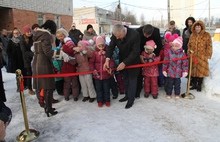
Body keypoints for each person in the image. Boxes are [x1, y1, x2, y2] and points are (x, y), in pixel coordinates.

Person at [104, 24, 140, 109]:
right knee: (125, 79)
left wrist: (125, 63)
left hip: (133, 61)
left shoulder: (135, 35)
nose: (117, 38)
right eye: (116, 36)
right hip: (122, 60)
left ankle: (131, 99)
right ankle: (127, 96)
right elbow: (111, 47)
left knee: (132, 81)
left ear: (124, 31)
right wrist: (107, 59)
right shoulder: (116, 34)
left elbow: (135, 52)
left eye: (119, 36)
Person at [32, 20, 58, 117]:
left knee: (45, 87)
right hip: (44, 62)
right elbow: (47, 51)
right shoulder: (46, 35)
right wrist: (59, 53)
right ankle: (48, 108)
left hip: (37, 62)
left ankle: (48, 107)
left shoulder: (37, 34)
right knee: (49, 87)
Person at [136, 24, 163, 98]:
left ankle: (154, 91)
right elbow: (136, 46)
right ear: (143, 31)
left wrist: (154, 54)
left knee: (154, 81)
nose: (147, 37)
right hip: (141, 50)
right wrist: (140, 55)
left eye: (149, 35)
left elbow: (159, 45)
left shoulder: (156, 32)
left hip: (151, 51)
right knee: (142, 76)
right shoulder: (137, 32)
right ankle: (140, 89)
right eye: (145, 35)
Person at [89, 35, 115, 107]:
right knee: (99, 89)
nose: (101, 48)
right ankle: (100, 100)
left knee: (106, 88)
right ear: (97, 46)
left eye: (102, 46)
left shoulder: (107, 53)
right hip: (97, 75)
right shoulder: (95, 54)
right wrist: (93, 69)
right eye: (99, 46)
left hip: (106, 74)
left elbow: (111, 61)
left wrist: (110, 68)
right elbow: (91, 62)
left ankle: (107, 100)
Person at [187, 20, 212, 92]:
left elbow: (209, 46)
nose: (197, 28)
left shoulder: (206, 35)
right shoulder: (192, 35)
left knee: (201, 71)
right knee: (193, 70)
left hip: (202, 56)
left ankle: (199, 85)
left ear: (201, 27)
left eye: (199, 27)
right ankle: (194, 84)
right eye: (196, 27)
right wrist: (189, 51)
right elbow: (189, 45)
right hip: (193, 55)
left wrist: (208, 54)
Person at [56, 28, 79, 101]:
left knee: (70, 83)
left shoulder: (68, 43)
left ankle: (70, 96)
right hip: (69, 67)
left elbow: (71, 51)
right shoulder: (63, 43)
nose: (60, 38)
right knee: (70, 83)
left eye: (61, 36)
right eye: (59, 37)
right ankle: (71, 96)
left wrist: (62, 49)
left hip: (68, 66)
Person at [20, 25, 35, 95]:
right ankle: (30, 88)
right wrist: (34, 54)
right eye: (27, 32)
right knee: (29, 74)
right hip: (27, 60)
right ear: (24, 33)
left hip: (34, 59)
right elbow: (24, 52)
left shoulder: (33, 38)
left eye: (30, 31)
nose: (29, 33)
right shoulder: (22, 40)